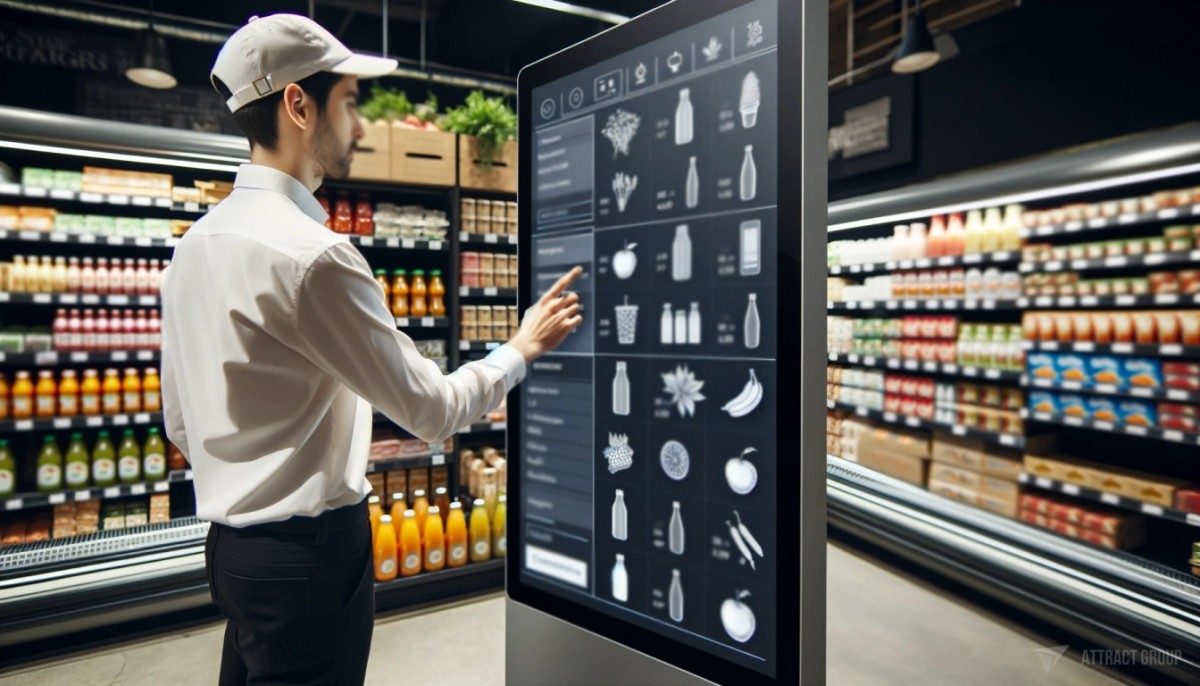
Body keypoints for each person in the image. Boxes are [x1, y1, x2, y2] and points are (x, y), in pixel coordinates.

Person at [161, 14, 582, 685]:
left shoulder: (196, 244)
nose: (361, 128)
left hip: (235, 556)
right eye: (351, 104)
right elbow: (432, 411)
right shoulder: (315, 257)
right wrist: (521, 348)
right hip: (309, 557)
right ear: (299, 104)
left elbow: (178, 419)